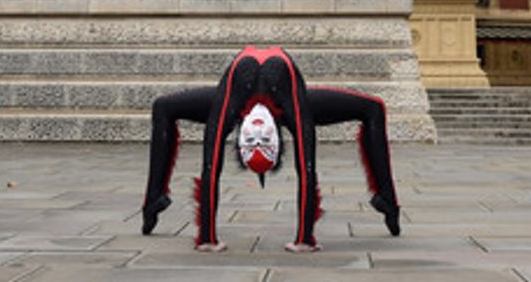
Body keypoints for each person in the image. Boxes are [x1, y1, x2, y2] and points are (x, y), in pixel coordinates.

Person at [140, 45, 401, 252]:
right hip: (282, 94)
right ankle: (388, 199)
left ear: (241, 136)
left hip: (269, 93)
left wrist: (207, 239)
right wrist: (304, 240)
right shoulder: (286, 106)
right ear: (275, 136)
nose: (256, 134)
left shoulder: (232, 102)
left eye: (253, 141)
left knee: (164, 106)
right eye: (261, 141)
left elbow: (211, 166)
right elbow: (306, 168)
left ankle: (153, 199)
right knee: (373, 108)